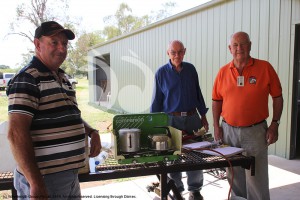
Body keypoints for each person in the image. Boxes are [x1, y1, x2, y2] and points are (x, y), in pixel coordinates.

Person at [6, 21, 101, 200]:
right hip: (44, 180)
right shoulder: (27, 78)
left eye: (64, 44)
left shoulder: (62, 77)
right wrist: (35, 183)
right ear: (37, 44)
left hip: (70, 176)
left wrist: (92, 131)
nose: (61, 49)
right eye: (54, 42)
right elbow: (16, 133)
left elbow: (70, 115)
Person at [212, 31, 283, 200]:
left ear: (250, 46)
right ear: (230, 48)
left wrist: (275, 123)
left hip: (255, 131)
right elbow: (216, 101)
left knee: (256, 179)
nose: (239, 48)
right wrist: (216, 126)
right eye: (235, 45)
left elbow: (278, 97)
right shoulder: (222, 72)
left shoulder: (265, 68)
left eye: (243, 44)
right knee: (234, 177)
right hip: (228, 131)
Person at [151, 40, 209, 200]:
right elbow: (156, 100)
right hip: (172, 121)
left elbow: (198, 93)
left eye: (180, 52)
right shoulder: (161, 73)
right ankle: (177, 191)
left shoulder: (191, 69)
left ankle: (195, 190)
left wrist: (203, 116)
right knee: (173, 158)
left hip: (192, 119)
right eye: (173, 52)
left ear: (185, 51)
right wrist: (154, 126)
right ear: (168, 53)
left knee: (196, 156)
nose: (177, 55)